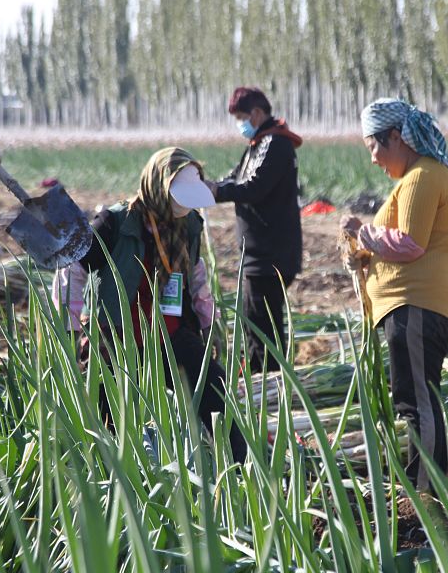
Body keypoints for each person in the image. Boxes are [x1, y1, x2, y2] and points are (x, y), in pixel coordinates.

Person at [52, 147, 247, 462]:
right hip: (117, 334)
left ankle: (239, 466)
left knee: (214, 387)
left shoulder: (188, 226)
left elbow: (197, 277)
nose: (184, 206)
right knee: (108, 415)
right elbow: (72, 267)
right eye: (179, 197)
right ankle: (109, 475)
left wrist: (209, 323)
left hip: (167, 334)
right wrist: (73, 326)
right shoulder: (116, 222)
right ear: (158, 186)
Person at [340, 98, 448, 493]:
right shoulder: (416, 179)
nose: (374, 159)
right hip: (410, 306)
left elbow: (410, 243)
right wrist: (362, 249)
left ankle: (426, 493)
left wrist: (364, 233)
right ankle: (427, 489)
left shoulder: (423, 177)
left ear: (396, 137)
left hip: (415, 306)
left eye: (373, 147)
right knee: (416, 401)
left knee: (417, 404)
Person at [206, 87, 303, 371]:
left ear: (257, 113)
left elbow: (254, 187)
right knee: (253, 322)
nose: (240, 124)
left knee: (263, 329)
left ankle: (268, 387)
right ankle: (260, 379)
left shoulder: (275, 144)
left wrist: (217, 192)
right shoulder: (258, 144)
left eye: (241, 117)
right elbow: (235, 178)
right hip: (258, 256)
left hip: (270, 256)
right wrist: (208, 187)